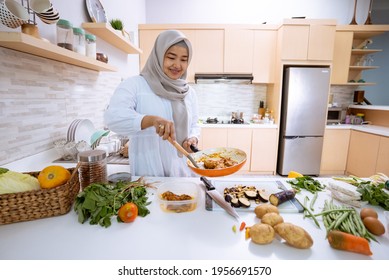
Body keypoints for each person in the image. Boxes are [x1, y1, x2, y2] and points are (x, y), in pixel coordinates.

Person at [104, 30, 200, 177]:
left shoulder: (188, 92)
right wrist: (150, 120)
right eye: (171, 57)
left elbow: (194, 124)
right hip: (149, 174)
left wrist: (193, 138)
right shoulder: (135, 85)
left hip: (183, 173)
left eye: (184, 59)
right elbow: (113, 119)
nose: (177, 65)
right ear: (158, 55)